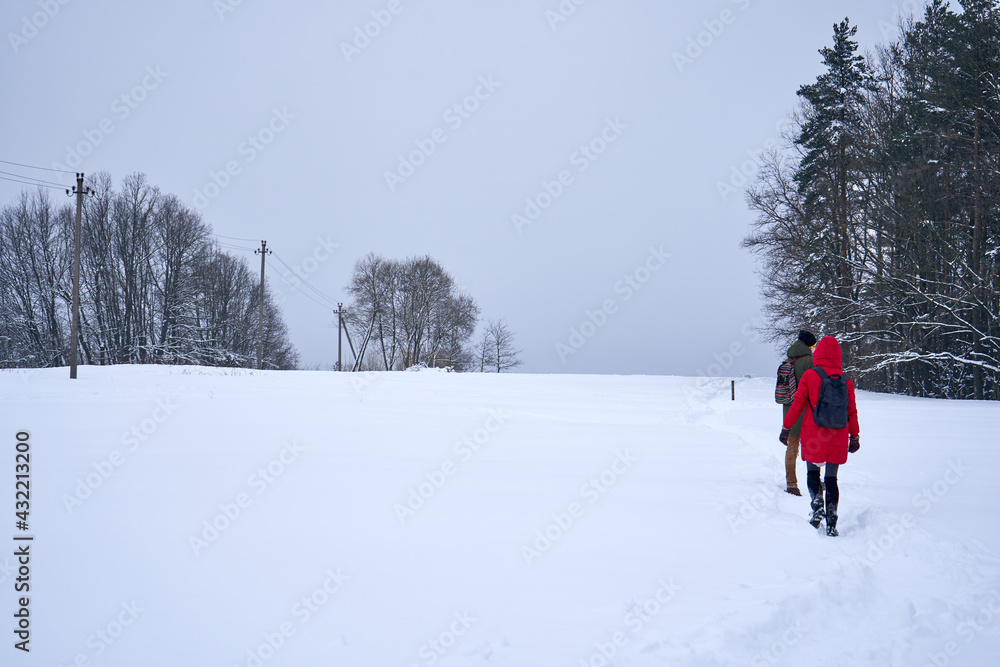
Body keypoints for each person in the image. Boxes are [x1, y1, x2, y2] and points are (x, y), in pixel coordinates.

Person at [779, 335, 860, 536]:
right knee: (832, 479)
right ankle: (832, 520)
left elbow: (797, 404)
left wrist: (786, 428)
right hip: (838, 434)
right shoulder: (846, 379)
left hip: (814, 433)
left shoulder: (810, 376)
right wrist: (855, 436)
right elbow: (852, 410)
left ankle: (817, 510)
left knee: (813, 474)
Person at [781, 330, 816, 496]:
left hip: (790, 409)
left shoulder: (789, 360)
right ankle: (817, 481)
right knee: (813, 447)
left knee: (792, 447)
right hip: (808, 410)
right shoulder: (810, 362)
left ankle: (791, 483)